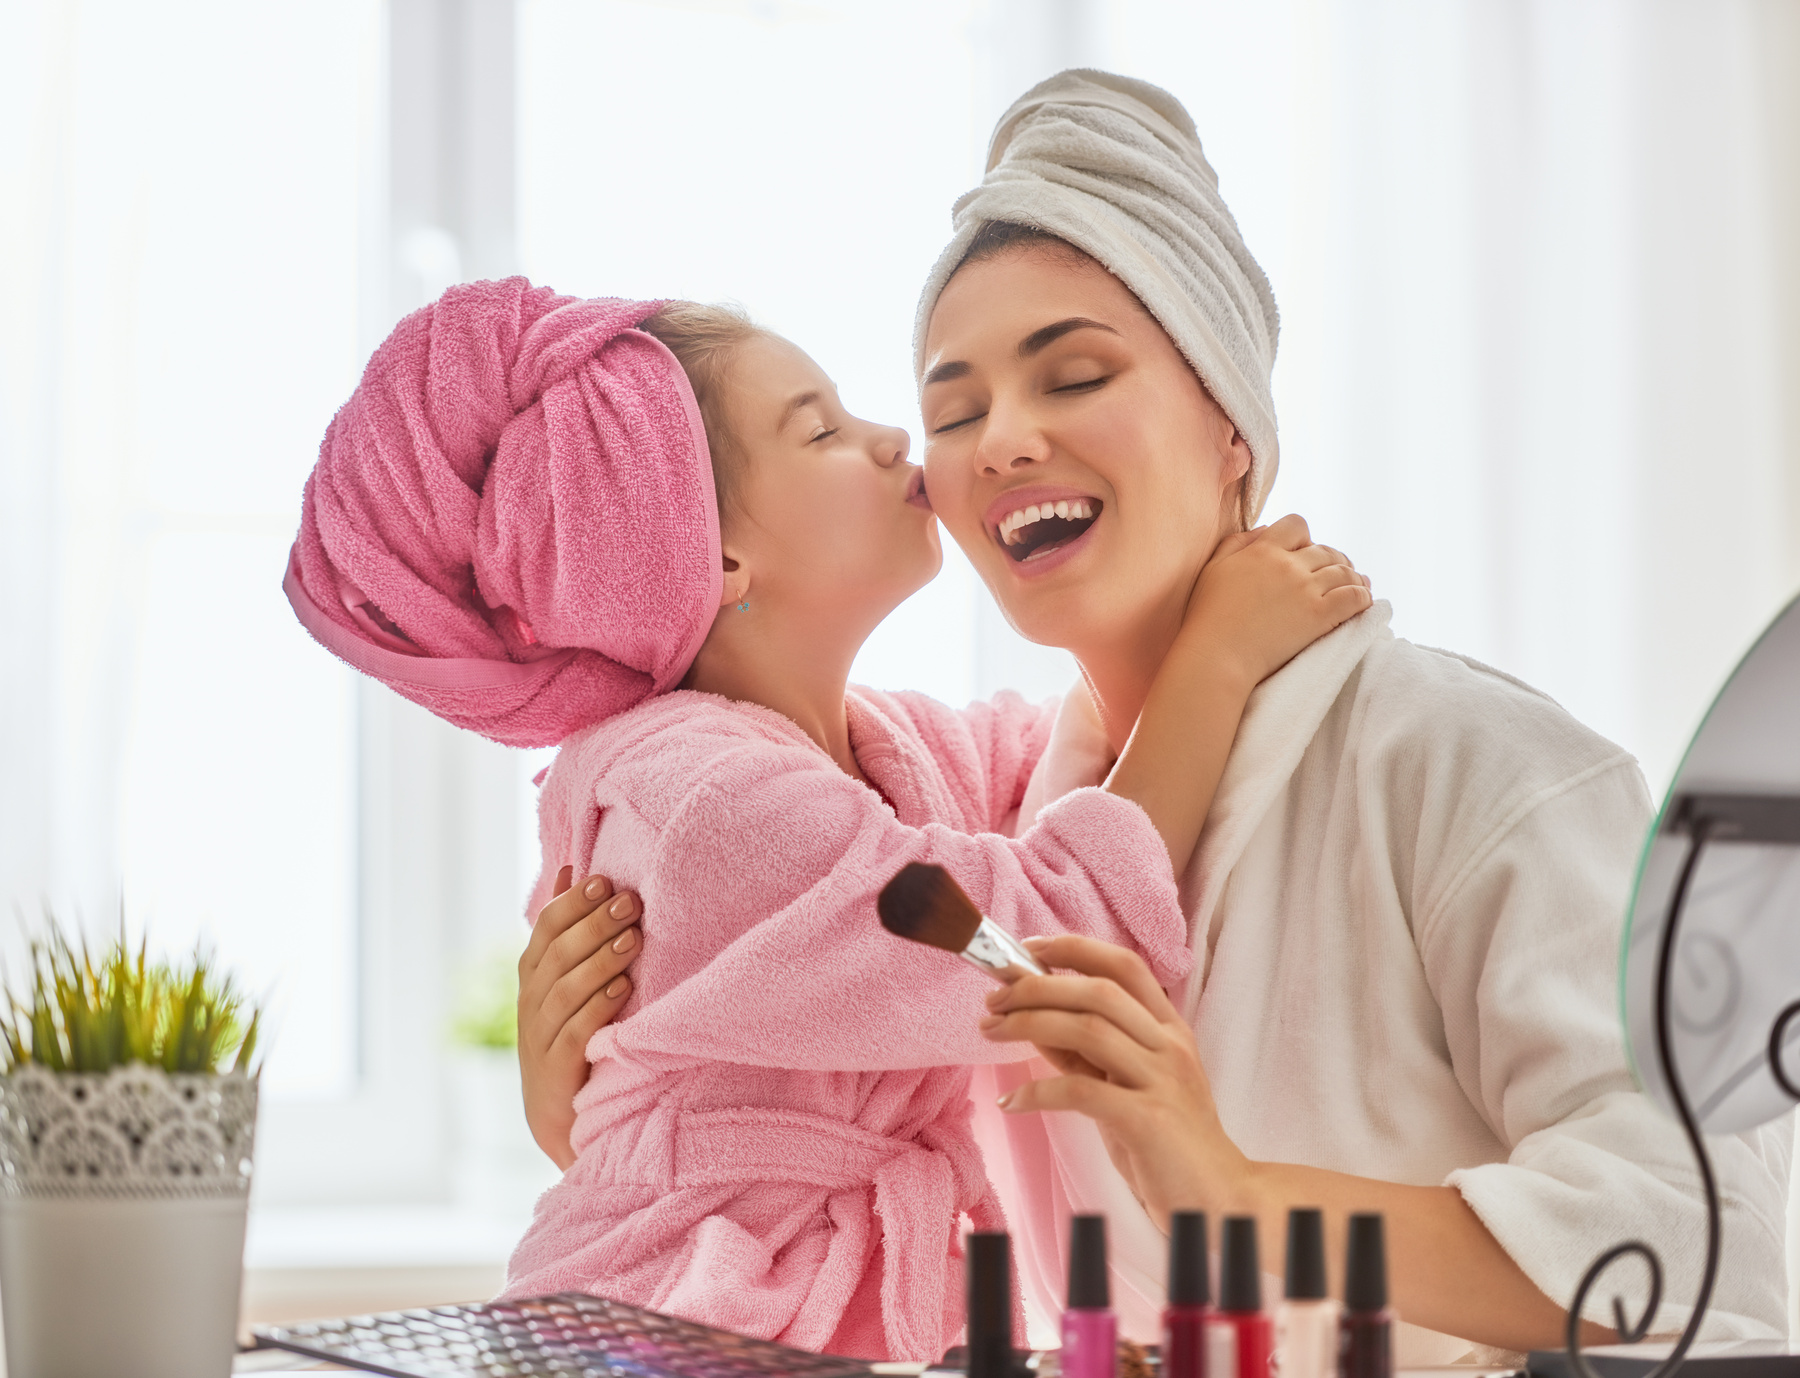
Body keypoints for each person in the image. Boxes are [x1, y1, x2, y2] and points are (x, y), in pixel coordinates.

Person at [521, 71, 1791, 1357]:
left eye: (1072, 376)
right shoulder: (992, 818)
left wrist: (1247, 1207)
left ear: (1230, 422)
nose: (1000, 439)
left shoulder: (1474, 768)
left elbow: (1697, 1251)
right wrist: (597, 1084)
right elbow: (809, 1050)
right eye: (954, 411)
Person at [285, 278, 1367, 1362]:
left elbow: (1080, 757)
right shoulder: (706, 806)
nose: (896, 437)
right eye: (825, 430)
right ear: (712, 561)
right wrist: (1219, 656)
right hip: (659, 1328)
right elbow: (1046, 928)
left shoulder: (895, 751)